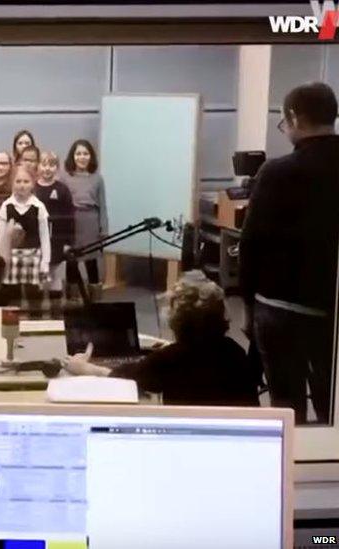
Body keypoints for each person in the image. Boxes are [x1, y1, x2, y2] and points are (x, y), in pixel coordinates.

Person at [241, 82, 339, 424]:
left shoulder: (277, 172)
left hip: (280, 310)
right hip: (333, 310)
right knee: (332, 400)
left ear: (294, 117)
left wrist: (247, 307)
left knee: (286, 404)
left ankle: (294, 468)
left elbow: (251, 243)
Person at [64, 271, 261, 407]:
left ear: (177, 317)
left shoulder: (171, 359)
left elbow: (127, 376)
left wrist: (86, 368)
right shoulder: (235, 352)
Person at [0, 163, 50, 316]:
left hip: (33, 257)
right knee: (11, 297)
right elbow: (0, 236)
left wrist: (45, 261)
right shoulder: (6, 206)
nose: (22, 185)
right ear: (12, 183)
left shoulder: (39, 206)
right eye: (18, 181)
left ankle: (35, 328)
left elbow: (45, 236)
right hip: (10, 258)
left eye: (26, 182)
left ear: (32, 183)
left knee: (34, 298)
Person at [62, 139, 107, 293]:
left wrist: (104, 229)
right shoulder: (65, 178)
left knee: (91, 261)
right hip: (72, 222)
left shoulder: (97, 178)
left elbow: (103, 206)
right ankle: (72, 297)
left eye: (85, 153)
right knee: (71, 261)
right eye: (78, 153)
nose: (82, 157)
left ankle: (94, 298)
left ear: (91, 156)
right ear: (73, 156)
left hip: (91, 222)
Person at [34, 151, 75, 317]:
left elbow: (70, 217)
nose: (47, 168)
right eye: (44, 164)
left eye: (51, 165)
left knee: (55, 276)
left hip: (56, 240)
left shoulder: (62, 190)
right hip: (35, 240)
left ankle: (56, 314)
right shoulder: (33, 188)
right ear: (38, 166)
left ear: (57, 168)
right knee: (37, 278)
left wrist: (68, 241)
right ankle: (35, 315)